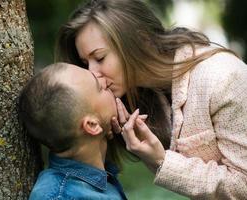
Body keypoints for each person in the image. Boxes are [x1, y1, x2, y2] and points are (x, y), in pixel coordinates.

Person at [55, 0, 247, 199]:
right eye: (86, 63)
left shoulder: (224, 78)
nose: (92, 74)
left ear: (141, 41)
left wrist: (162, 161)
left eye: (100, 58)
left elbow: (243, 185)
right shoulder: (143, 97)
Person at [18, 62, 131, 200]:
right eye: (100, 88)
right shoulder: (60, 196)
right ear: (92, 125)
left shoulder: (98, 178)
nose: (104, 79)